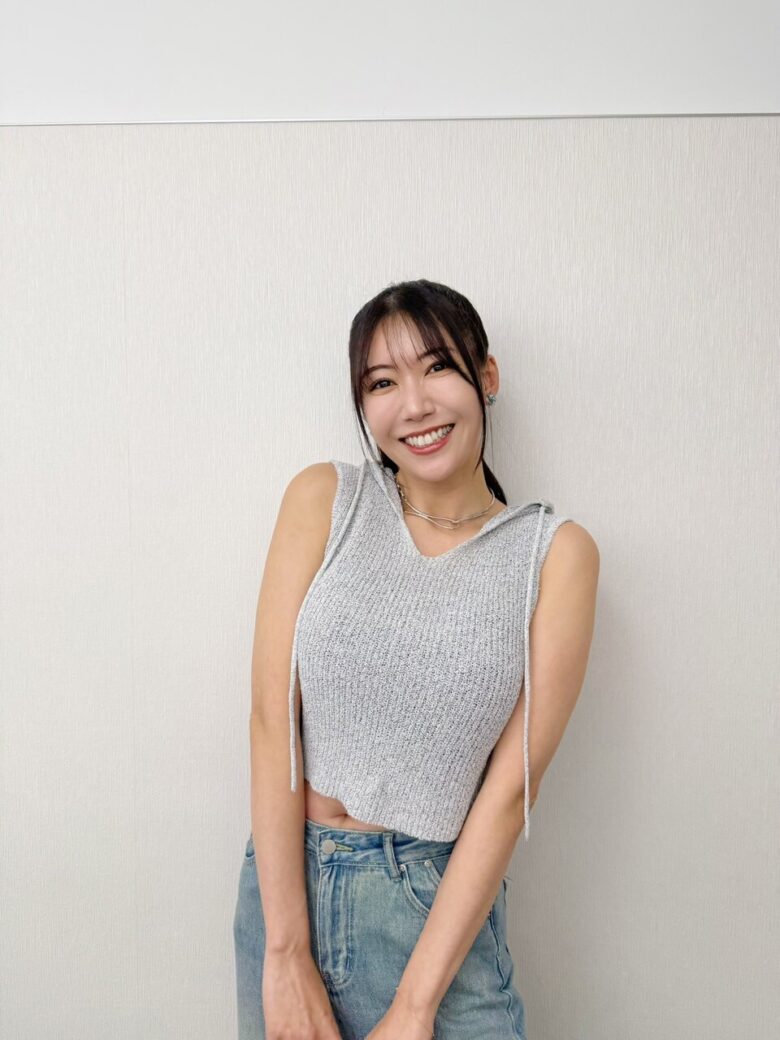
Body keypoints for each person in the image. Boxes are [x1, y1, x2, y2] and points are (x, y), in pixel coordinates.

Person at [233, 279, 600, 1040]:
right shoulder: (325, 500)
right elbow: (273, 719)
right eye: (382, 383)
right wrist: (286, 950)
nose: (415, 405)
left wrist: (415, 1005)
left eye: (437, 368)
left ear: (486, 376)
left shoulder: (553, 555)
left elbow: (510, 793)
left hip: (433, 915)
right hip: (284, 893)